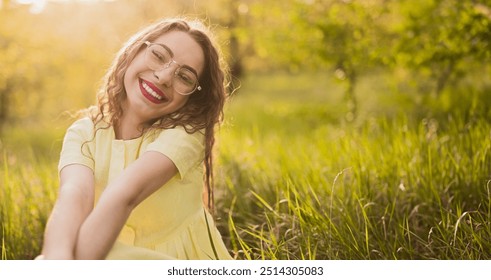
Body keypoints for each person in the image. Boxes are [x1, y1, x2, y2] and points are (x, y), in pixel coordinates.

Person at [36, 18, 233, 260]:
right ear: (134, 51)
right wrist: (56, 260)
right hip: (110, 251)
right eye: (159, 56)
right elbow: (74, 194)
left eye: (184, 77)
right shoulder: (84, 133)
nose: (163, 77)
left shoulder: (187, 134)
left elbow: (124, 195)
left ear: (191, 99)